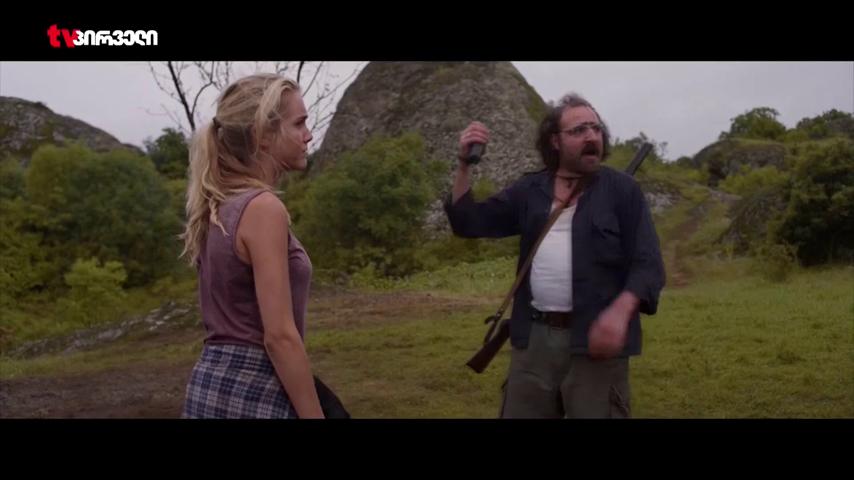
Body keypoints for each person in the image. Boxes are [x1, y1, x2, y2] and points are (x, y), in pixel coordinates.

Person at [444, 93, 665, 418]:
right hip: (533, 340)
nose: (591, 136)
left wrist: (620, 312)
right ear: (555, 141)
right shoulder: (530, 190)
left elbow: (648, 264)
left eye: (596, 128)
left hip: (595, 343)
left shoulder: (622, 191)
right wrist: (464, 165)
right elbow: (468, 222)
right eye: (578, 130)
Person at [180, 73, 323, 418]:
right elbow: (279, 337)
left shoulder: (219, 206)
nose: (308, 134)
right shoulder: (263, 208)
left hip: (210, 386)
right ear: (262, 136)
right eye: (299, 123)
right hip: (254, 388)